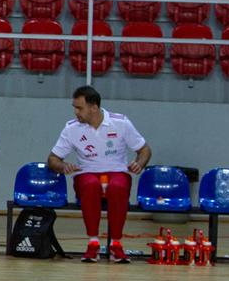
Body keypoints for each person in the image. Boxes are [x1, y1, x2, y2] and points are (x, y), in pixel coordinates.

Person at [47, 86, 151, 263]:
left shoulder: (121, 123)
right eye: (74, 107)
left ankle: (116, 245)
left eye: (79, 108)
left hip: (117, 171)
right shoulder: (71, 128)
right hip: (87, 172)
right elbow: (52, 159)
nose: (75, 112)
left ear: (94, 107)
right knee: (90, 185)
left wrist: (139, 163)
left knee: (118, 187)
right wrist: (63, 166)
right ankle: (93, 243)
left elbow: (145, 150)